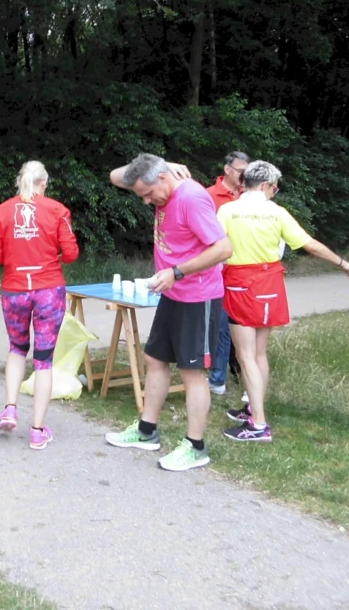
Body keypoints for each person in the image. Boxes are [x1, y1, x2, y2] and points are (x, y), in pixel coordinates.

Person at [217, 161, 349, 442]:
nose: (275, 191)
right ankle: (252, 409)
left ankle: (258, 425)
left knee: (245, 355)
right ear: (264, 186)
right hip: (270, 283)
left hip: (239, 284)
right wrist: (343, 263)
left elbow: (213, 245)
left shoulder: (228, 210)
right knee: (259, 354)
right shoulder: (277, 213)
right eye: (274, 187)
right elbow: (309, 244)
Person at [104, 154, 233, 472]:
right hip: (173, 295)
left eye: (148, 194)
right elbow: (114, 175)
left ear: (162, 180)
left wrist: (177, 272)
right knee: (155, 359)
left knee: (192, 373)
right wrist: (166, 162)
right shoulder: (159, 180)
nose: (147, 203)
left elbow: (223, 249)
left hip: (197, 297)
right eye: (141, 196)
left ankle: (196, 447)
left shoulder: (191, 198)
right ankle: (147, 432)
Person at [0, 161, 79, 450]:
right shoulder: (57, 209)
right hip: (48, 289)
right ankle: (37, 430)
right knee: (43, 360)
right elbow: (72, 253)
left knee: (16, 349)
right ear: (44, 183)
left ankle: (10, 407)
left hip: (15, 290)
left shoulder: (2, 210)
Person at [204, 151, 250, 396]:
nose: (245, 176)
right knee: (221, 327)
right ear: (228, 170)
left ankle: (242, 374)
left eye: (248, 171)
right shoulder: (210, 196)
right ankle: (217, 378)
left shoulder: (249, 197)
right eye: (242, 171)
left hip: (245, 273)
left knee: (244, 326)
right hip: (219, 272)